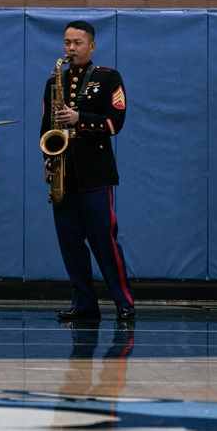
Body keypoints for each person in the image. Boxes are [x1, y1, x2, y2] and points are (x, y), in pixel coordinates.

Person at [41, 20, 136, 322]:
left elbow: (114, 123)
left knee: (104, 240)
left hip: (96, 173)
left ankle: (123, 301)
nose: (71, 48)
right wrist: (48, 161)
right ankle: (84, 302)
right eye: (67, 42)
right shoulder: (53, 81)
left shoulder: (109, 78)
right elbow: (46, 128)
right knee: (70, 243)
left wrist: (78, 118)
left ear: (92, 46)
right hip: (64, 173)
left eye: (77, 43)